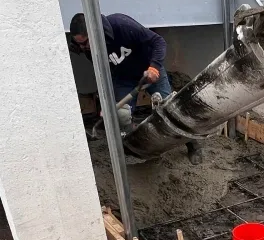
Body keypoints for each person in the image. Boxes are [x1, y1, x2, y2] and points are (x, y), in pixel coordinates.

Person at [69, 12, 201, 164]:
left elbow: (158, 41)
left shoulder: (121, 25)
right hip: (124, 78)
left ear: (95, 32)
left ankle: (193, 144)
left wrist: (154, 67)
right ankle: (148, 151)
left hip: (148, 70)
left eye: (85, 43)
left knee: (170, 109)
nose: (83, 47)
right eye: (79, 44)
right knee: (121, 115)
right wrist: (107, 101)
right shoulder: (89, 50)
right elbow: (104, 74)